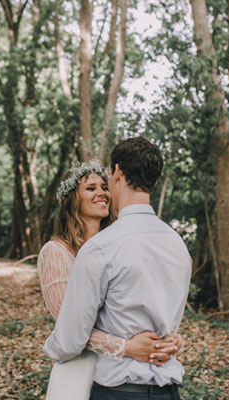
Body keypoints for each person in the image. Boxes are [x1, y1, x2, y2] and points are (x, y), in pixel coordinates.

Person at [44, 137, 192, 400]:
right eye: (90, 188)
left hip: (119, 391)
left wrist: (52, 348)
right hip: (167, 391)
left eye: (105, 182)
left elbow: (69, 340)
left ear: (118, 172)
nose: (103, 191)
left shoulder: (101, 247)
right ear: (155, 180)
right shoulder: (177, 244)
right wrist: (168, 340)